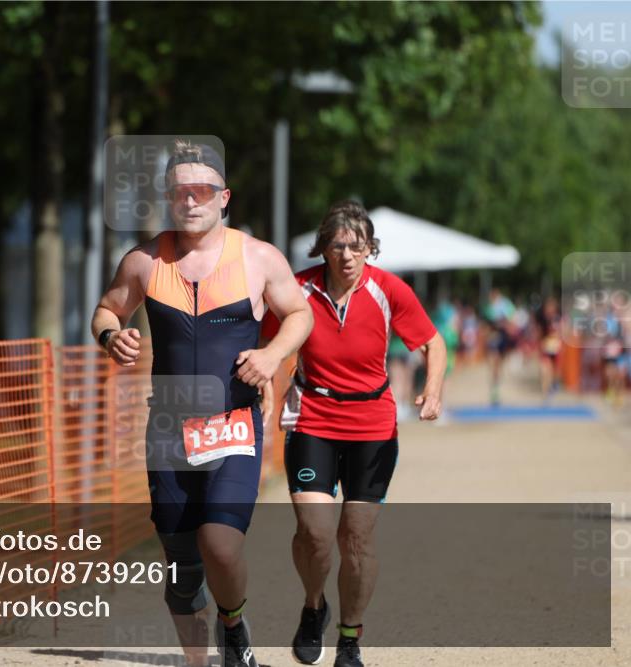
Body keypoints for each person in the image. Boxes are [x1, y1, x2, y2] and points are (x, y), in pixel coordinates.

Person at [91, 140, 314, 667]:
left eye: (202, 191)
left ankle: (233, 624)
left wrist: (273, 354)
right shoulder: (144, 262)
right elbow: (107, 310)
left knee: (220, 541)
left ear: (224, 197)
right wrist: (110, 337)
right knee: (181, 568)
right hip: (168, 428)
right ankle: (199, 660)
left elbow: (299, 314)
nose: (191, 201)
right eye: (180, 192)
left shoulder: (258, 258)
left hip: (233, 422)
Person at [262, 201, 446, 667]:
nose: (347, 255)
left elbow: (431, 342)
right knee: (315, 533)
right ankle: (313, 606)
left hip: (372, 426)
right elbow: (266, 345)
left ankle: (349, 639)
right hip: (312, 419)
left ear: (371, 251)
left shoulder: (388, 289)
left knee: (358, 538)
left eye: (357, 246)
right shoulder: (297, 288)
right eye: (338, 245)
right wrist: (267, 388)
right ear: (324, 247)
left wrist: (433, 389)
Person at [482, 287, 517, 406]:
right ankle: (494, 390)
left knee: (498, 366)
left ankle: (496, 387)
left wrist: (505, 324)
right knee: (494, 363)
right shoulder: (488, 308)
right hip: (493, 338)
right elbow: (485, 325)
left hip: (502, 338)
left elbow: (511, 320)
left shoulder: (505, 305)